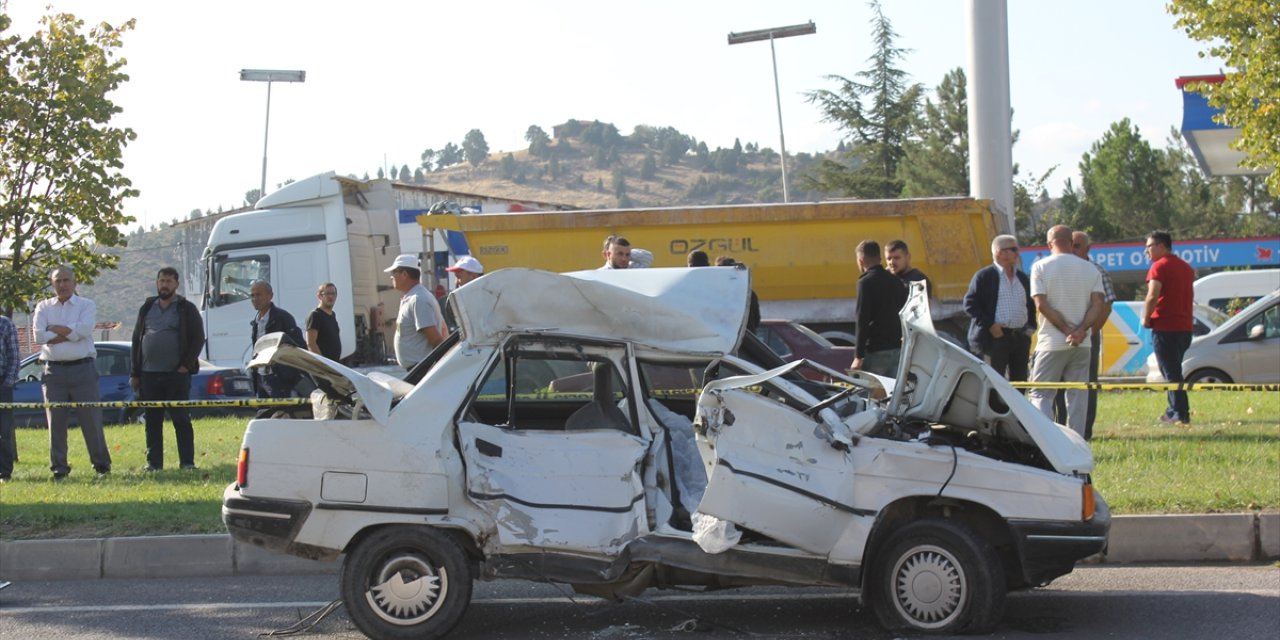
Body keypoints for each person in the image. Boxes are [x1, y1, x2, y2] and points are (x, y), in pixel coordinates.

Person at [32, 265, 112, 479]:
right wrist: (70, 331)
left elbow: (84, 330)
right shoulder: (43, 307)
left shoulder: (87, 305)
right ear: (52, 284)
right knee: (55, 423)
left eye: (66, 280)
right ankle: (59, 468)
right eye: (58, 281)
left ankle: (101, 466)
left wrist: (54, 330)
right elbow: (39, 336)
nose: (62, 285)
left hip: (82, 369)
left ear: (75, 283)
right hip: (53, 372)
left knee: (91, 420)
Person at [1028, 226, 1105, 437]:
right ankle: (1078, 443)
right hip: (1083, 344)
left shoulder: (1040, 267)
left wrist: (1065, 330)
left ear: (1049, 244)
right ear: (1071, 243)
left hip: (1051, 342)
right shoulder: (1091, 269)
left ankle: (1045, 443)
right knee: (1078, 395)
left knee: (1041, 394)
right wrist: (1080, 331)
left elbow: (1041, 305)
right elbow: (1098, 304)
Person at [129, 267, 205, 471]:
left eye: (169, 281)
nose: (165, 285)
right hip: (148, 375)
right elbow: (137, 339)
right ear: (157, 283)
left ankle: (187, 463)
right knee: (152, 421)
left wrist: (184, 366)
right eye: (162, 281)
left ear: (176, 284)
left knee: (180, 419)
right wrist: (135, 372)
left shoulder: (185, 308)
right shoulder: (147, 308)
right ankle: (154, 464)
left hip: (176, 375)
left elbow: (198, 338)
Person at [963, 235, 1037, 381]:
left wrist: (1030, 327)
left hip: (1020, 338)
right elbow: (970, 305)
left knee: (1019, 382)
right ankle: (995, 405)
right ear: (1000, 252)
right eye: (1013, 249)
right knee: (995, 384)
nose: (1017, 253)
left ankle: (1014, 405)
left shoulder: (1021, 278)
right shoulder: (984, 276)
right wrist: (990, 325)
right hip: (996, 338)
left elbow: (1030, 304)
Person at [1143, 230, 1195, 424]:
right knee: (1173, 370)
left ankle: (1178, 413)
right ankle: (1174, 409)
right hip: (1185, 327)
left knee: (1171, 373)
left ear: (1162, 246)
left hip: (1166, 327)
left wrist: (1145, 317)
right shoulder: (1186, 267)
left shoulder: (1159, 267)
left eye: (1149, 246)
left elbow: (1152, 295)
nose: (1146, 251)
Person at [1071, 231, 1116, 439]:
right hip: (1063, 335)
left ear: (1088, 249)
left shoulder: (1097, 271)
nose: (1072, 249)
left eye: (1077, 246)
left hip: (1088, 335)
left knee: (1086, 382)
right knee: (1060, 384)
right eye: (1070, 245)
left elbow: (1107, 305)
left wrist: (1091, 331)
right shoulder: (1061, 269)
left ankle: (1085, 431)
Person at [851, 240, 908, 377]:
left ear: (861, 262)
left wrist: (858, 356)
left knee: (871, 395)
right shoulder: (896, 281)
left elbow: (862, 320)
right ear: (880, 259)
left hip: (876, 351)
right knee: (892, 394)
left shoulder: (865, 283)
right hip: (897, 349)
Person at [385, 254, 447, 370]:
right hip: (418, 368)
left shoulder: (418, 300)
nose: (391, 276)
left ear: (404, 274)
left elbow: (435, 339)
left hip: (422, 369)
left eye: (394, 272)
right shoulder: (414, 298)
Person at [248, 280, 305, 398]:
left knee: (281, 412)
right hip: (260, 376)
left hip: (278, 377)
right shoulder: (256, 321)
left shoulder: (283, 318)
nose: (254, 299)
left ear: (270, 296)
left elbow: (298, 346)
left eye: (258, 295)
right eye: (252, 295)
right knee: (263, 413)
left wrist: (287, 373)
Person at [714, 256, 761, 332]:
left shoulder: (716, 294)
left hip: (726, 340)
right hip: (748, 339)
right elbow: (756, 320)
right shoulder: (748, 293)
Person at [0, 315, 18, 482]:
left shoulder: (5, 323)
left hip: (2, 384)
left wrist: (8, 382)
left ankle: (4, 473)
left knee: (3, 432)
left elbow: (13, 356)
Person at [305, 282, 342, 361]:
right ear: (319, 296)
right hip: (322, 368)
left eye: (333, 294)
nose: (331, 296)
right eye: (327, 294)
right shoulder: (315, 315)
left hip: (335, 365)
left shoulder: (332, 315)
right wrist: (323, 363)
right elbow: (311, 344)